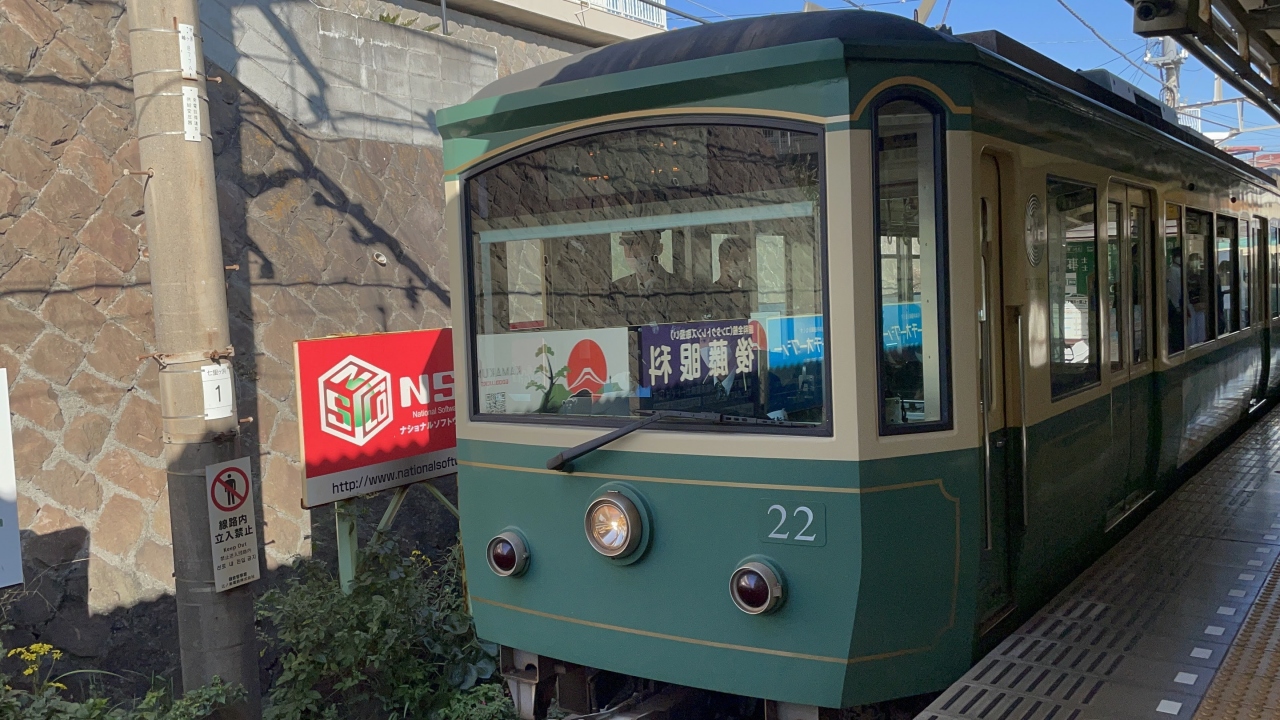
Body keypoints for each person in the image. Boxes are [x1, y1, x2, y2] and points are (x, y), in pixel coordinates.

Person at [611, 230, 679, 324]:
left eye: (639, 243)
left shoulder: (683, 288)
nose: (633, 253)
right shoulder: (616, 291)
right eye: (627, 245)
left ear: (658, 248)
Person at [710, 236, 754, 320]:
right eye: (737, 260)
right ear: (723, 261)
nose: (744, 266)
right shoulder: (709, 296)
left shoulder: (745, 296)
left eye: (746, 261)